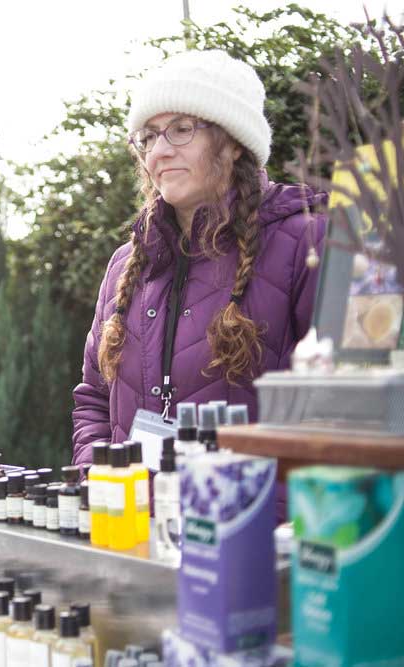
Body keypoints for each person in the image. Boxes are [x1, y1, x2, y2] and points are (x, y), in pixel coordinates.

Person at [72, 50, 327, 466]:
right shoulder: (125, 265)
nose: (159, 152)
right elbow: (94, 399)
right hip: (130, 524)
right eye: (149, 136)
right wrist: (96, 483)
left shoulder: (307, 244)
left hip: (247, 525)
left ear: (233, 143)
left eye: (181, 129)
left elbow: (335, 411)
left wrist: (263, 519)